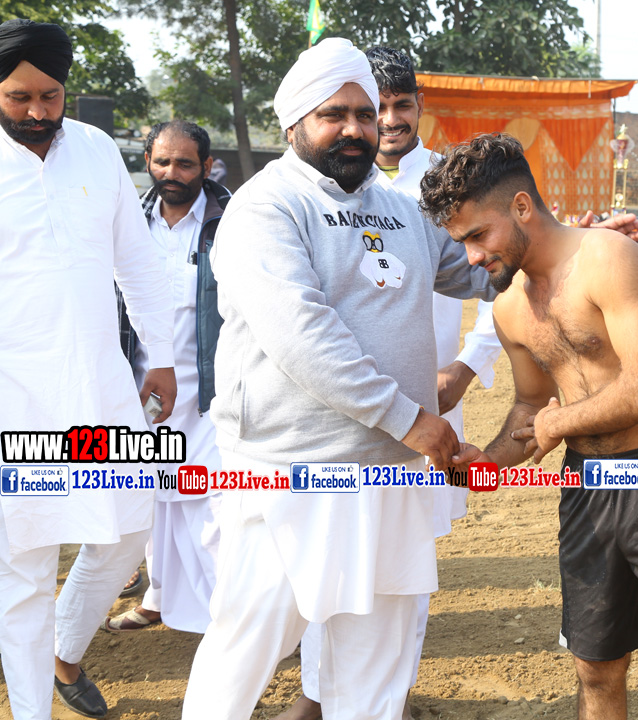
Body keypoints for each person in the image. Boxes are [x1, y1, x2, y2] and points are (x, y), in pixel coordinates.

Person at [180, 38, 499, 720]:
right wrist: (410, 420)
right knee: (248, 646)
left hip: (390, 471)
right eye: (334, 114)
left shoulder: (402, 209)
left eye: (363, 113)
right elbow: (303, 334)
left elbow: (482, 269)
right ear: (295, 122)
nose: (355, 128)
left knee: (377, 664)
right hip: (291, 467)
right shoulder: (266, 207)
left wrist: (572, 244)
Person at [419, 132, 638, 720]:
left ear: (521, 207)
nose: (471, 257)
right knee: (594, 668)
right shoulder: (509, 306)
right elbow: (529, 407)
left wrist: (560, 421)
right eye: (461, 242)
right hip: (587, 488)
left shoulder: (608, 259)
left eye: (477, 235)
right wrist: (487, 461)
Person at [278, 45, 503, 720]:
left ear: (418, 108)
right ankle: (318, 693)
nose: (389, 119)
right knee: (331, 563)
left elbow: (498, 270)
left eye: (401, 105)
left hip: (429, 412)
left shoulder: (449, 182)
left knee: (406, 563)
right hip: (335, 415)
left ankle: (388, 694)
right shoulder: (314, 190)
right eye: (376, 107)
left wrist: (467, 367)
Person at [0, 19, 178, 720]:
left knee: (130, 521)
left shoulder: (97, 149)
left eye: (50, 96)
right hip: (13, 394)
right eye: (18, 98)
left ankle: (63, 647)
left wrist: (161, 354)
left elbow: (136, 261)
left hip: (99, 382)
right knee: (23, 566)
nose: (37, 112)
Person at [105, 120, 231, 634]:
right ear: (147, 162)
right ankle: (158, 598)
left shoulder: (232, 221)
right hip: (142, 391)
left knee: (218, 509)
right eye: (162, 162)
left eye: (184, 163)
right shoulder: (126, 221)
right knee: (153, 501)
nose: (171, 173)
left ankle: (238, 616)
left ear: (206, 166)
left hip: (213, 392)